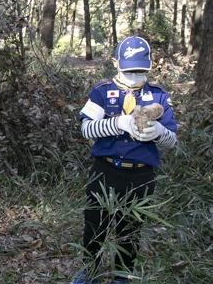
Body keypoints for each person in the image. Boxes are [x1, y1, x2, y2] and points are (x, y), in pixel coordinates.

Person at [71, 36, 177, 284]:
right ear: (115, 62)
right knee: (95, 225)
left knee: (130, 229)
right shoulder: (101, 91)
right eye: (130, 70)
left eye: (141, 70)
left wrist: (159, 133)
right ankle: (91, 270)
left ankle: (121, 275)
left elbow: (172, 140)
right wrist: (119, 122)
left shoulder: (159, 96)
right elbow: (86, 130)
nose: (136, 74)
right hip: (105, 170)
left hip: (140, 175)